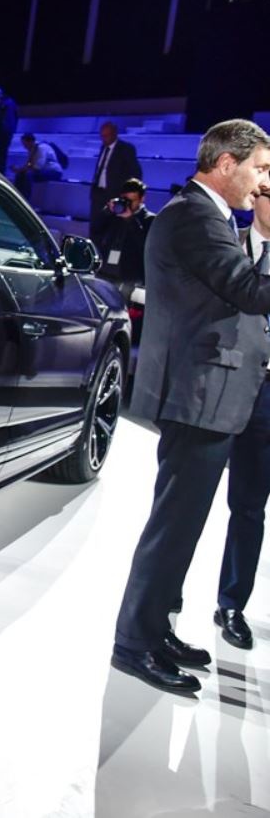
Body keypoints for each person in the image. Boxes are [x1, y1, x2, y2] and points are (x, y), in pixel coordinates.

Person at [113, 119, 270, 695]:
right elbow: (250, 292)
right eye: (259, 168)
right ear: (226, 163)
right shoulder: (196, 217)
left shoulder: (203, 215)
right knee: (173, 527)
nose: (263, 182)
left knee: (180, 527)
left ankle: (154, 630)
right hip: (199, 394)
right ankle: (134, 644)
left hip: (206, 393)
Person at [216, 188, 270, 650]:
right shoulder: (224, 246)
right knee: (189, 501)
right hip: (220, 388)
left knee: (250, 506)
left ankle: (231, 604)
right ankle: (165, 597)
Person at [96, 178, 154, 301]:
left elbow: (145, 246)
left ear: (142, 199)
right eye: (125, 200)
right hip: (106, 270)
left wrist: (130, 219)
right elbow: (96, 230)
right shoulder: (115, 214)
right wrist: (107, 211)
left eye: (131, 201)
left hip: (129, 277)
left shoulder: (150, 219)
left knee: (122, 308)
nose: (128, 204)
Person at [89, 121, 143, 243]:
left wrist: (127, 195)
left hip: (114, 195)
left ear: (114, 134)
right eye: (102, 136)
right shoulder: (103, 148)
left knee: (111, 230)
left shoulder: (125, 149)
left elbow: (136, 173)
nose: (104, 139)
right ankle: (94, 251)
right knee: (95, 228)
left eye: (106, 136)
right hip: (98, 195)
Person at [11, 132, 63, 199]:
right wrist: (20, 170)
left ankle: (26, 199)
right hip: (43, 171)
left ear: (30, 142)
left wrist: (22, 169)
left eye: (25, 144)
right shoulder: (32, 150)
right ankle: (16, 197)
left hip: (54, 172)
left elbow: (38, 167)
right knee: (20, 175)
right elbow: (29, 164)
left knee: (28, 174)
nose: (24, 147)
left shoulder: (41, 148)